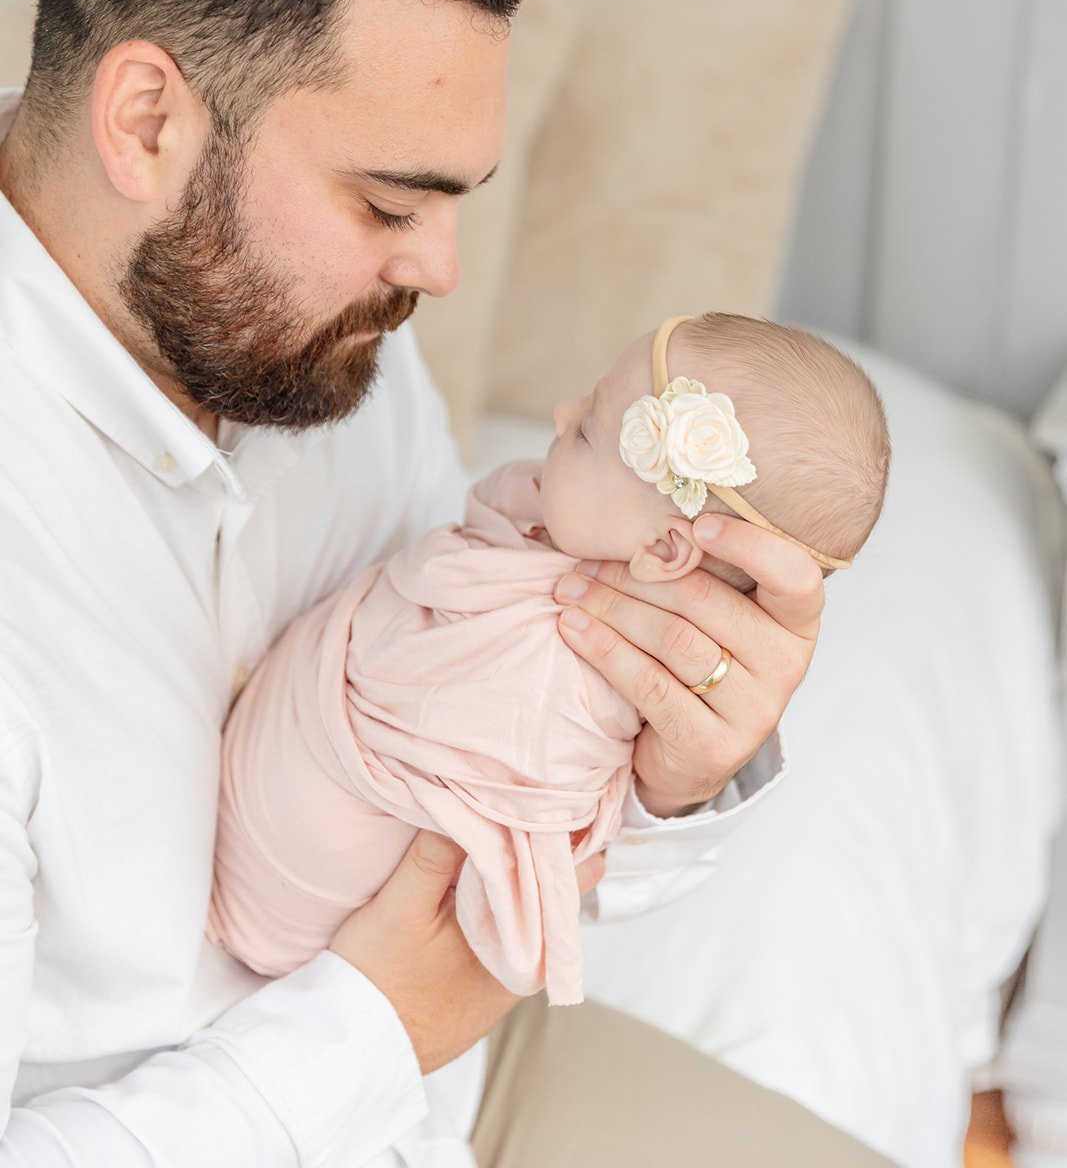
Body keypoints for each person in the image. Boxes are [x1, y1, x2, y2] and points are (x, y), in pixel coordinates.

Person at [0, 0, 890, 1166]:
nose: (438, 271)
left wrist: (669, 770)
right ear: (146, 124)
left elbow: (481, 724)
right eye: (386, 203)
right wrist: (373, 1028)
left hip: (458, 1082)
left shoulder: (322, 335)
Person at [209, 312, 890, 1008]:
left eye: (588, 429)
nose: (561, 414)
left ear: (662, 550)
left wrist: (666, 791)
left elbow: (537, 829)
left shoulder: (560, 673)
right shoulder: (540, 544)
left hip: (314, 932)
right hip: (276, 933)